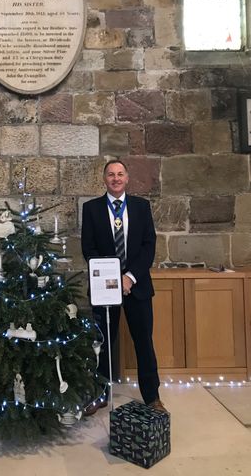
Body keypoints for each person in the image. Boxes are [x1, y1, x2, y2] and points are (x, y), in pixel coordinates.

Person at [81, 159, 167, 415]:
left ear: (127, 178)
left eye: (120, 174)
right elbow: (89, 250)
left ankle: (152, 396)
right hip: (104, 288)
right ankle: (99, 394)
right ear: (104, 179)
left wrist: (129, 277)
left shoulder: (141, 207)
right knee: (103, 343)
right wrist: (114, 280)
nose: (116, 178)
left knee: (144, 343)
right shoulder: (92, 209)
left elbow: (148, 246)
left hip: (137, 287)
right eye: (111, 174)